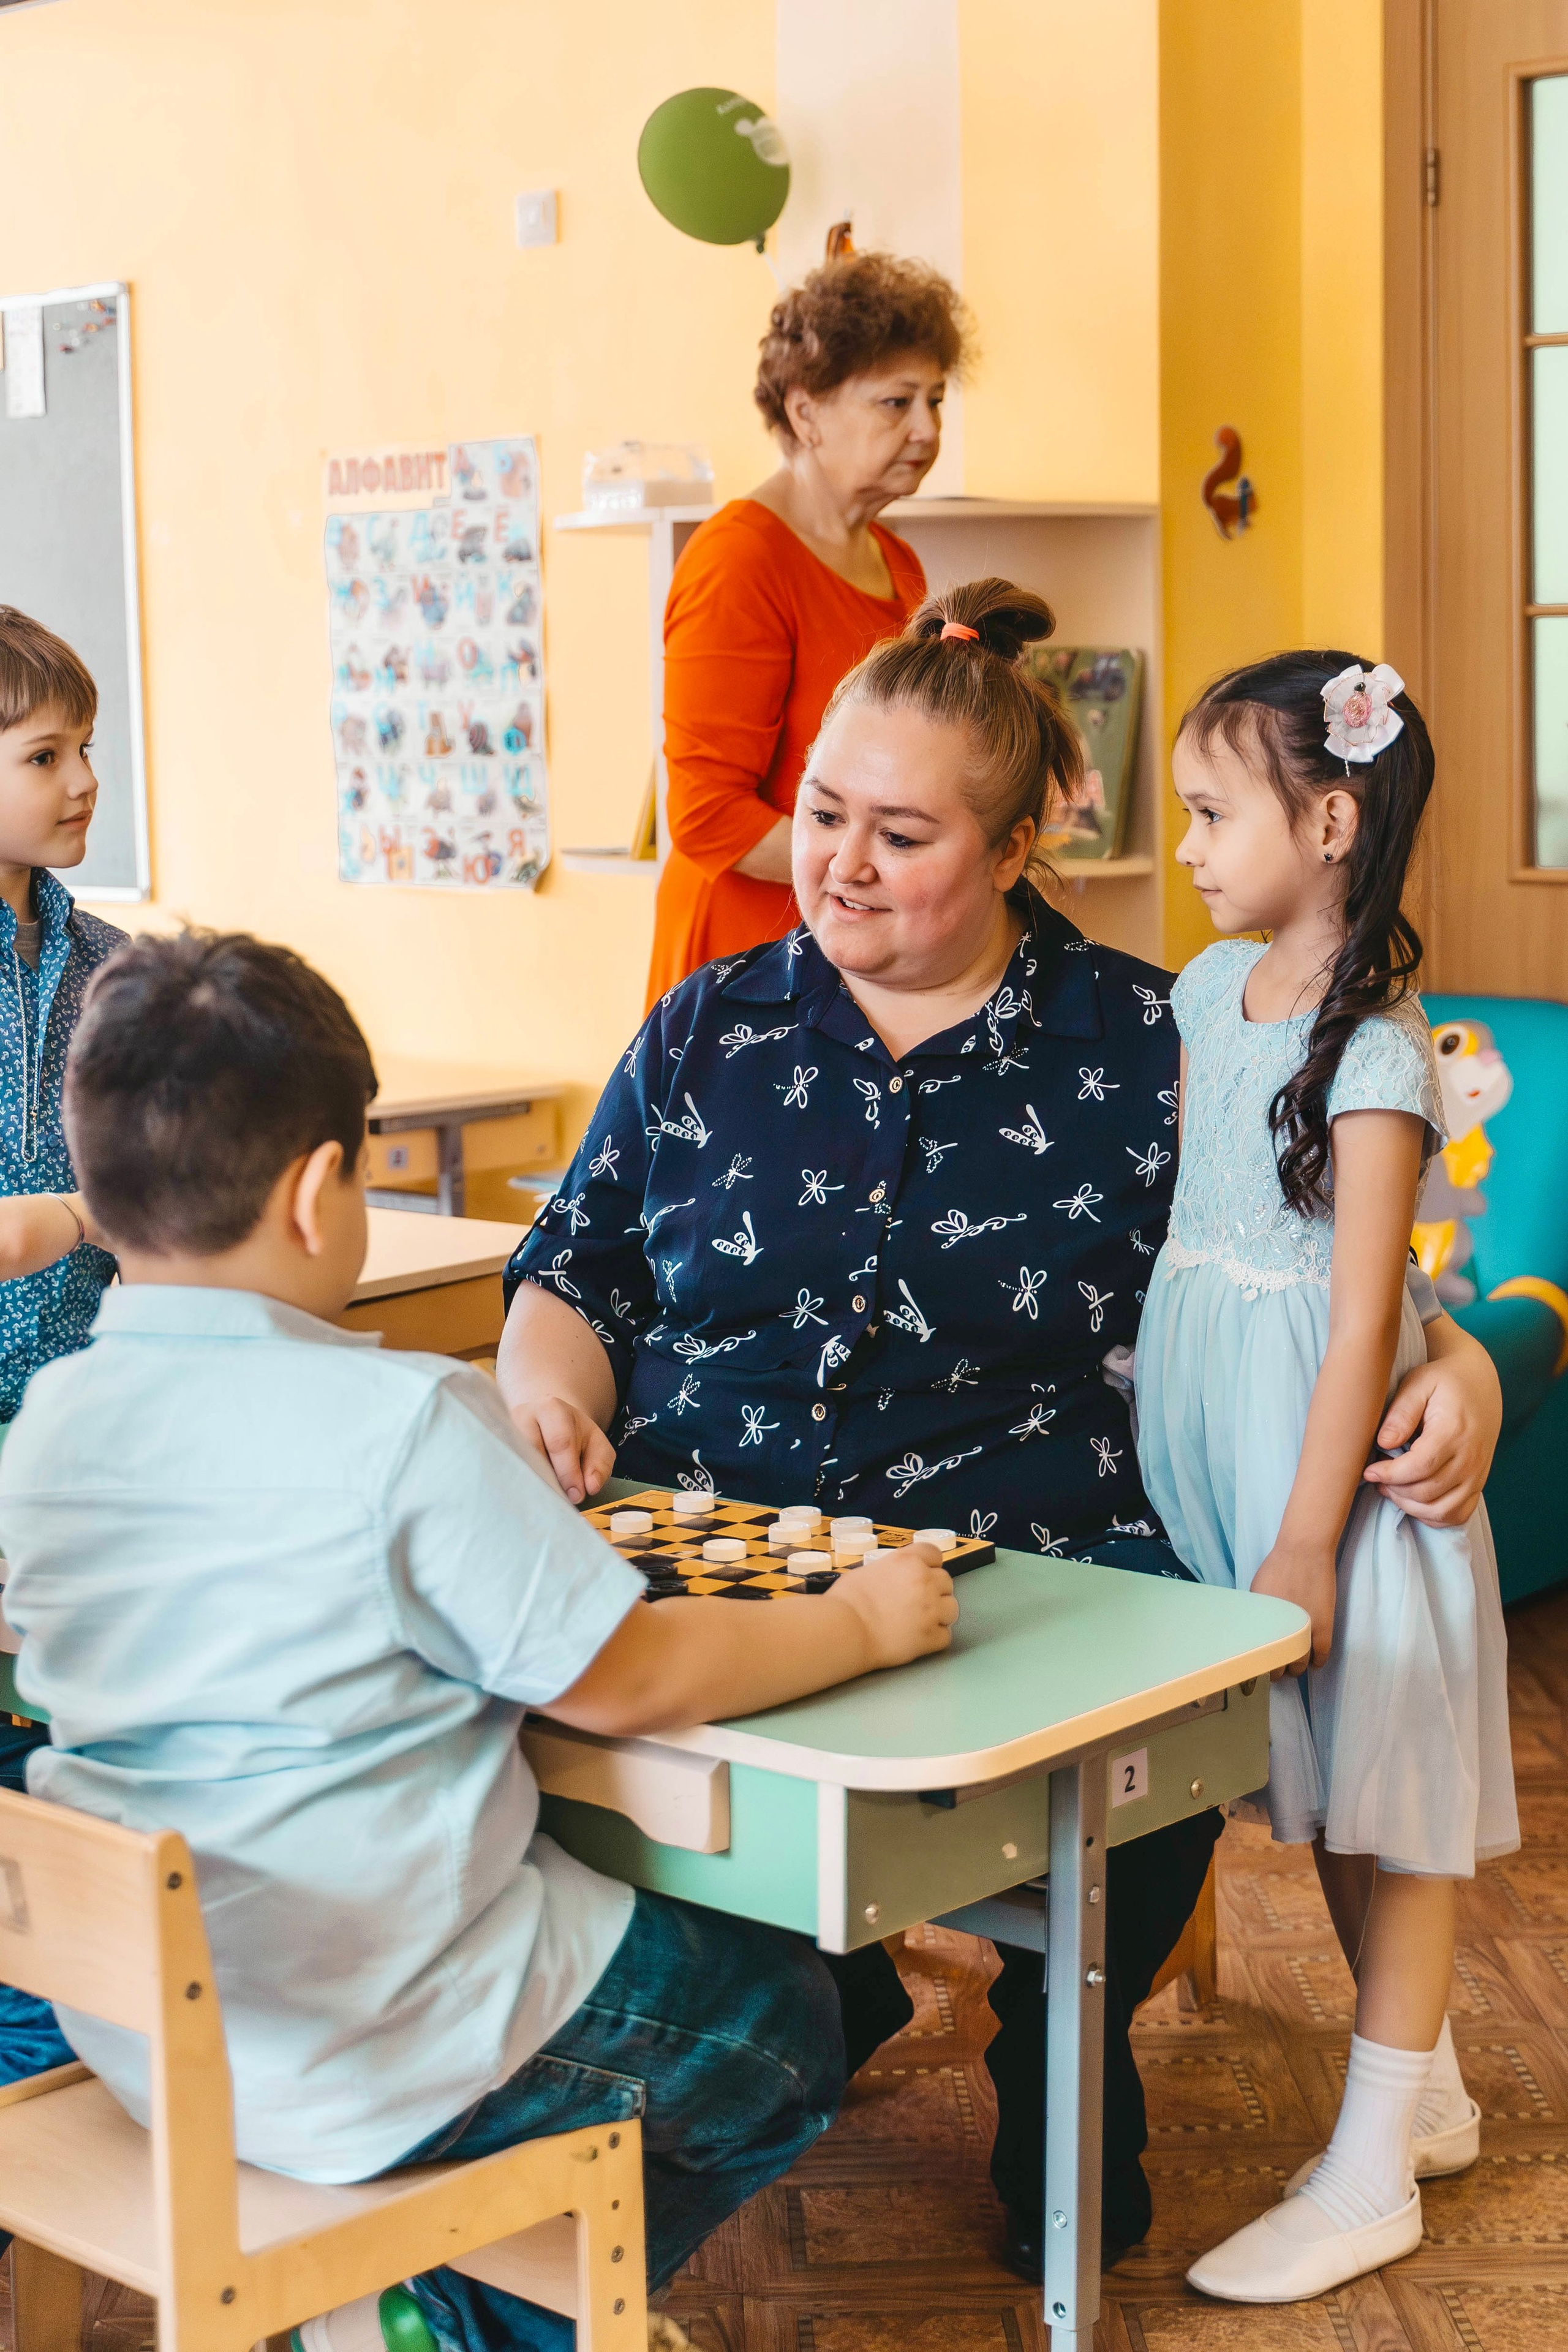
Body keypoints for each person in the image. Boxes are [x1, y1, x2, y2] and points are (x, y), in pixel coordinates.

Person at [499, 583, 1505, 2275]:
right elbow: (574, 1270)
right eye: (823, 813)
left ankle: (1056, 2015)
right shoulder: (708, 1024)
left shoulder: (1153, 1040)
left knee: (1146, 1746)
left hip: (1030, 1564)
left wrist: (1455, 1365)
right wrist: (547, 1388)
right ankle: (806, 1985)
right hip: (719, 1547)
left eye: (900, 836)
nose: (839, 864)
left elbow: (1317, 1264)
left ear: (1020, 844)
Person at [0, 930, 957, 2352]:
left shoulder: (51, 1423)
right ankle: (465, 2319)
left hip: (150, 2035)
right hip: (372, 2042)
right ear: (319, 1191)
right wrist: (858, 1620)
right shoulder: (406, 1424)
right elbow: (629, 1677)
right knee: (783, 2030)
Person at [1136, 655, 1518, 2302]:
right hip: (1232, 1455)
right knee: (1336, 1797)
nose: (1188, 847)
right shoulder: (1203, 991)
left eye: (1212, 813)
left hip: (1343, 1476)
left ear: (1330, 819)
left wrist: (1305, 1540)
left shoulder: (1374, 1050)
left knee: (1397, 1792)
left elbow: (1365, 1310)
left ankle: (1369, 2171)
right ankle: (1418, 2093)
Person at [645, 252, 968, 1005]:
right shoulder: (739, 557)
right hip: (747, 957)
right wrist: (883, 874)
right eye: (896, 403)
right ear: (805, 414)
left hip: (848, 940)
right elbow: (708, 817)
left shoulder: (899, 563)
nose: (926, 429)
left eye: (935, 401)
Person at [0, 604, 123, 2095]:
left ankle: (54, 2065)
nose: (85, 779)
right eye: (44, 755)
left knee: (64, 1777)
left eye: (86, 745)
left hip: (85, 1440)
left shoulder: (110, 965)